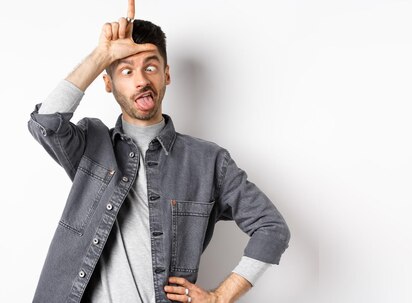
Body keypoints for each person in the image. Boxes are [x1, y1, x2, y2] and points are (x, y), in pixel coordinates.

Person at [27, 1, 290, 302]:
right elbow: (45, 123)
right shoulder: (90, 143)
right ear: (108, 83)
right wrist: (103, 55)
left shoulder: (209, 162)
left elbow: (272, 229)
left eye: (150, 67)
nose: (141, 81)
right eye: (126, 71)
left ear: (166, 74)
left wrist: (221, 296)